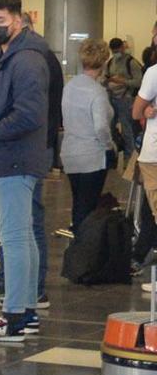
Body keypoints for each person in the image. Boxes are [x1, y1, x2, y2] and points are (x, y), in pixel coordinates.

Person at [0, 0, 55, 342]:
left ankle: (14, 316)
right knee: (23, 237)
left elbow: (30, 114)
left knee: (15, 237)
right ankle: (27, 311)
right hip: (14, 156)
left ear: (18, 19)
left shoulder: (26, 59)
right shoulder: (13, 55)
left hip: (13, 157)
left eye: (0, 21)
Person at [62, 38, 114, 236]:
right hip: (92, 156)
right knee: (88, 208)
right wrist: (109, 146)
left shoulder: (70, 87)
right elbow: (101, 127)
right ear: (103, 62)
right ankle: (85, 253)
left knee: (78, 204)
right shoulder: (97, 92)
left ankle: (77, 246)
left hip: (70, 154)